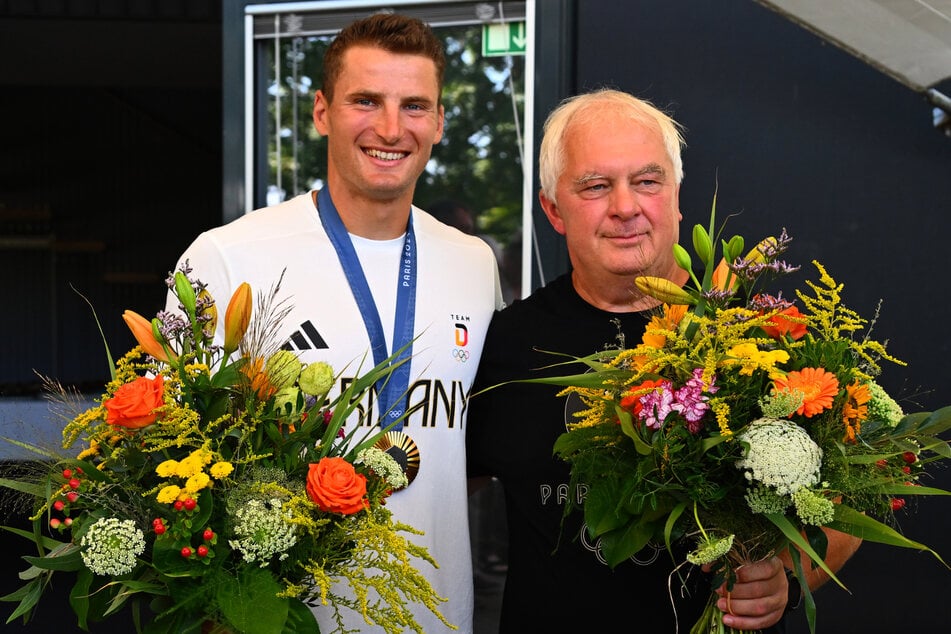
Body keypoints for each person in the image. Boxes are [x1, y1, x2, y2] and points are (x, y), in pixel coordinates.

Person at [466, 89, 860, 632]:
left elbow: (848, 500)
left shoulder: (758, 330)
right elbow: (446, 487)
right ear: (553, 209)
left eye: (647, 181)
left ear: (675, 196)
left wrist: (787, 579)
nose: (625, 206)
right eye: (596, 186)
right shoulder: (505, 343)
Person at [171, 13, 502, 633]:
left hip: (439, 616)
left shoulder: (473, 263)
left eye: (413, 106)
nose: (389, 128)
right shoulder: (226, 257)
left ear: (437, 122)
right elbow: (167, 458)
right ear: (322, 112)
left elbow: (470, 448)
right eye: (365, 101)